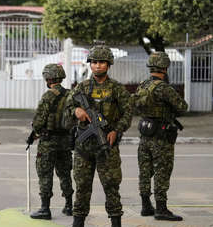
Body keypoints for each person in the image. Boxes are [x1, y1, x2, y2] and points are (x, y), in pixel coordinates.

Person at [64, 44, 132, 227]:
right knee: (82, 188)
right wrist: (76, 110)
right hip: (83, 150)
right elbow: (67, 108)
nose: (98, 65)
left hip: (107, 148)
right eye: (94, 62)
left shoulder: (117, 89)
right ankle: (78, 222)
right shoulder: (82, 88)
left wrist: (116, 131)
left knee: (111, 188)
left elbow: (128, 113)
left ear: (109, 64)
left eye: (102, 62)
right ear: (90, 64)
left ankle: (116, 222)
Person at [132, 51, 187, 221]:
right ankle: (161, 209)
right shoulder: (163, 88)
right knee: (162, 171)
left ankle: (145, 206)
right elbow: (183, 107)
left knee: (145, 171)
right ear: (165, 67)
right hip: (161, 136)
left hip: (145, 134)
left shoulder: (142, 85)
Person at [29, 63, 74, 220]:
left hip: (48, 141)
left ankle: (45, 209)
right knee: (65, 173)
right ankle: (69, 206)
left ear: (48, 78)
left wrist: (35, 131)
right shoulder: (70, 94)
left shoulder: (48, 96)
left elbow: (38, 122)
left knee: (45, 174)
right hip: (65, 141)